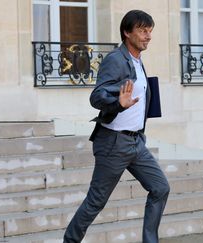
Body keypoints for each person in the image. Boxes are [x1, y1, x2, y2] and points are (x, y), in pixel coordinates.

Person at [63, 10, 170, 243]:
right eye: (142, 30)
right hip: (113, 143)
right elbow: (97, 96)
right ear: (126, 33)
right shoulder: (115, 59)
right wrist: (118, 104)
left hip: (135, 142)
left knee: (160, 188)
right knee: (96, 201)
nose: (148, 36)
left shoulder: (138, 61)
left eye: (150, 31)